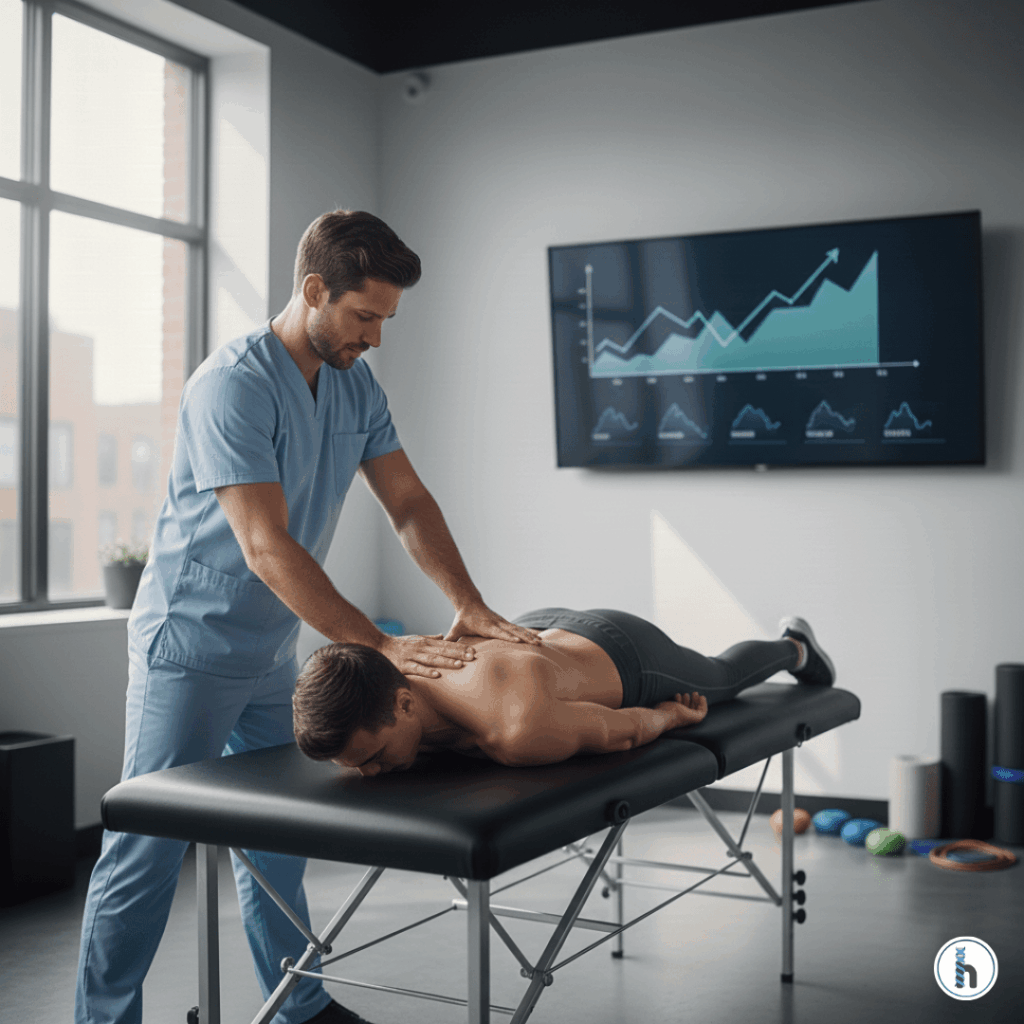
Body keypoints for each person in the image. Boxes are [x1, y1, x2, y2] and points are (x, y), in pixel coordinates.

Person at [75, 211, 540, 1024]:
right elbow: (265, 546)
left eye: (386, 320)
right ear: (315, 290)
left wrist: (467, 602)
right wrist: (380, 643)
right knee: (146, 851)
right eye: (365, 316)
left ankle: (299, 1007)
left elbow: (408, 502)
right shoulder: (232, 385)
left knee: (278, 844)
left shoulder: (356, 383)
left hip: (269, 652)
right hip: (188, 649)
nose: (376, 337)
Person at [293, 609, 835, 773]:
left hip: (622, 651)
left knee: (721, 677)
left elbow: (620, 732)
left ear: (404, 703)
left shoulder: (516, 729)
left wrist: (670, 717)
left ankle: (795, 647)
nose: (369, 773)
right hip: (531, 631)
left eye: (373, 756)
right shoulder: (389, 670)